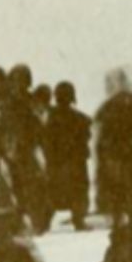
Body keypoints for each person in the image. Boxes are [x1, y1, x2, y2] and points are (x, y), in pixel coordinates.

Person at [94, 68, 132, 222]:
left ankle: (118, 214)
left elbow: (100, 134)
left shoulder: (107, 106)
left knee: (116, 187)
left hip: (113, 154)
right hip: (130, 152)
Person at [45, 82, 92, 231]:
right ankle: (78, 221)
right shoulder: (79, 119)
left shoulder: (51, 118)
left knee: (53, 193)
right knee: (77, 192)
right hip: (74, 163)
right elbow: (87, 132)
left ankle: (43, 223)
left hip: (57, 163)